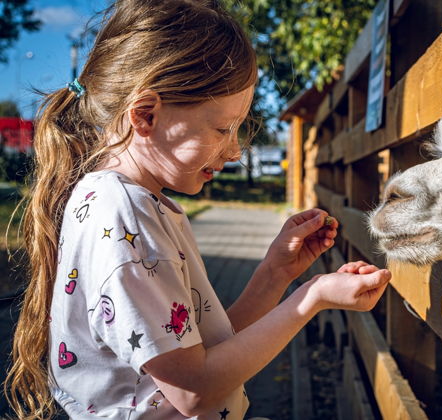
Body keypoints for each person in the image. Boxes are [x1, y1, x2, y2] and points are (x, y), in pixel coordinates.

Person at [5, 1, 392, 419]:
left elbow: (201, 352)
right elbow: (194, 390)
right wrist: (311, 299)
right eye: (223, 128)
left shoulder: (131, 204)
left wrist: (275, 274)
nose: (235, 149)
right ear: (146, 114)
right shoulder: (123, 217)